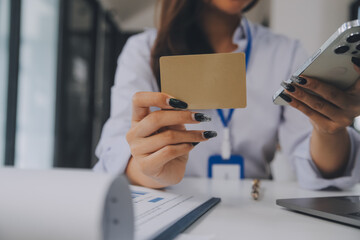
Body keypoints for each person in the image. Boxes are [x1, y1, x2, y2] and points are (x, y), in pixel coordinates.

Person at [94, 0, 360, 189]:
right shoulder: (142, 51)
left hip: (255, 211)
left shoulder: (284, 51)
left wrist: (329, 131)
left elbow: (316, 167)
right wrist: (150, 170)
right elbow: (113, 155)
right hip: (173, 202)